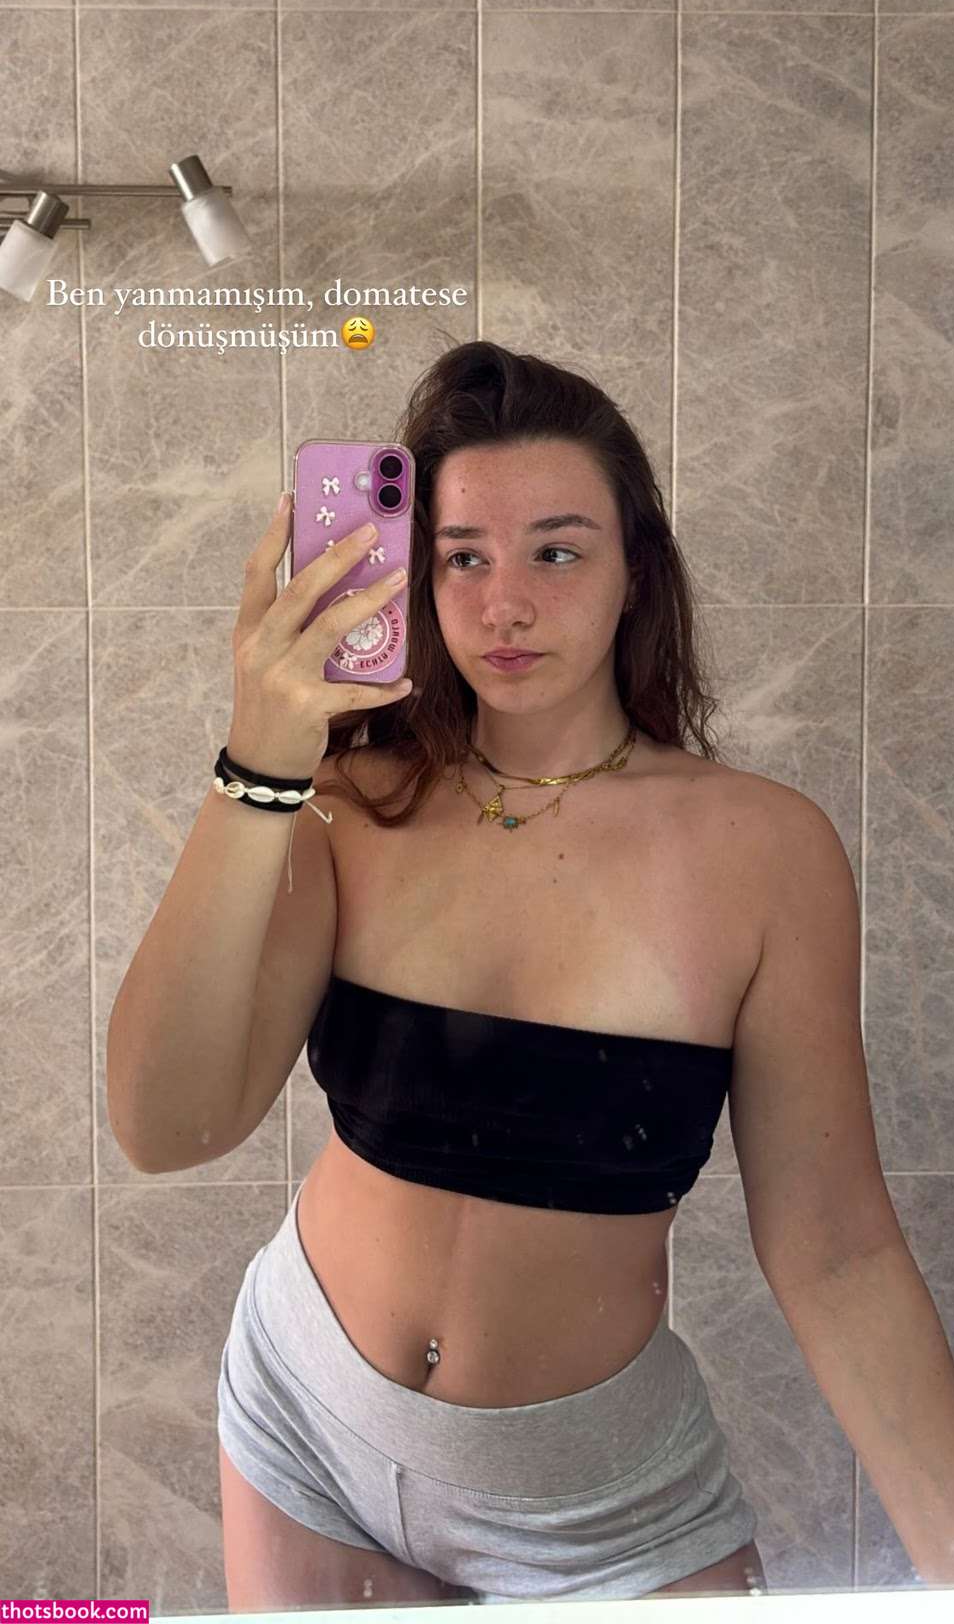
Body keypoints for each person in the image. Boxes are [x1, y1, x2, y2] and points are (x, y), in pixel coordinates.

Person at [108, 339, 767, 1607]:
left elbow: (840, 1252)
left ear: (636, 570)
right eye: (462, 556)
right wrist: (262, 760)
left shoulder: (759, 847)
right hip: (304, 1424)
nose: (504, 604)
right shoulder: (348, 806)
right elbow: (161, 1125)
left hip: (596, 1503)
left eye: (556, 552)